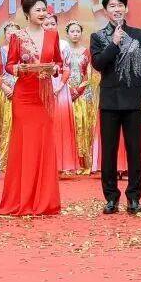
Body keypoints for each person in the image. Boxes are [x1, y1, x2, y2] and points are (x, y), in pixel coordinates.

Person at [0, 0, 62, 216]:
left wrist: (54, 69)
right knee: (24, 145)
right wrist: (20, 69)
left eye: (44, 10)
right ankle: (21, 199)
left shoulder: (52, 35)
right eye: (37, 10)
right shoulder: (17, 36)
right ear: (27, 13)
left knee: (44, 144)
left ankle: (44, 201)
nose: (42, 14)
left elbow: (59, 63)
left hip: (44, 96)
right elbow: (9, 65)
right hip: (24, 96)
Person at [90, 0, 141, 216]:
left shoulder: (138, 34)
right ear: (105, 11)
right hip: (109, 101)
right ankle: (111, 198)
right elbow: (98, 64)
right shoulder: (98, 37)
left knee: (135, 151)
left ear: (126, 9)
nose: (117, 9)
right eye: (112, 6)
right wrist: (114, 44)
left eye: (120, 5)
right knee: (108, 152)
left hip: (133, 99)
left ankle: (134, 198)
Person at [43, 13, 79, 175]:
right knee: (45, 126)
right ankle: (46, 164)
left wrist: (59, 86)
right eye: (46, 24)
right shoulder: (37, 43)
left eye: (53, 24)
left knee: (61, 125)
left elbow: (67, 68)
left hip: (60, 88)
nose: (50, 27)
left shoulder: (63, 44)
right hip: (42, 86)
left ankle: (63, 164)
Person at [62, 20, 93, 172]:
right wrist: (68, 89)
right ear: (67, 34)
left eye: (77, 31)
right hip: (65, 92)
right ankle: (68, 163)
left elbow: (89, 74)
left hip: (83, 94)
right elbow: (61, 71)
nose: (75, 34)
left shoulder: (87, 52)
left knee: (83, 125)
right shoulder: (63, 51)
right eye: (72, 31)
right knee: (68, 127)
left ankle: (83, 162)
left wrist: (77, 91)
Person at [0, 22, 21, 171]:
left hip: (21, 91)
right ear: (4, 35)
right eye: (9, 33)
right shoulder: (0, 51)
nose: (11, 35)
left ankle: (19, 159)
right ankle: (4, 160)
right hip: (3, 92)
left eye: (15, 33)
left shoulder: (24, 51)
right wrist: (4, 87)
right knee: (4, 125)